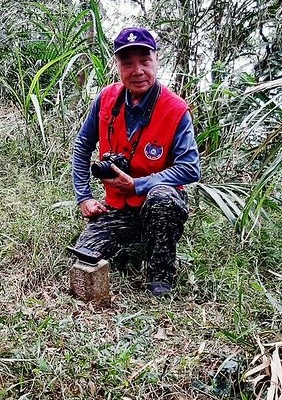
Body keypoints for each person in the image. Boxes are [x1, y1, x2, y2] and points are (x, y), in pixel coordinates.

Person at [71, 26, 201, 296]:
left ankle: (160, 275)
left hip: (158, 203)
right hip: (119, 206)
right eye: (127, 63)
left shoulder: (175, 109)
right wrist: (84, 197)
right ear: (117, 65)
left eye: (144, 61)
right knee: (86, 252)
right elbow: (83, 145)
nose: (137, 70)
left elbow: (190, 168)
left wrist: (138, 184)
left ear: (156, 60)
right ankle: (138, 240)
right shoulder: (106, 98)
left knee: (162, 198)